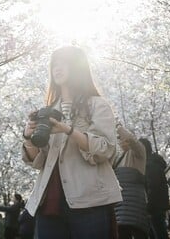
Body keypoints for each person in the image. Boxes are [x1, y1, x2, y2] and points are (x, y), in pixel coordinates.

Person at [21, 45, 122, 239]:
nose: (57, 69)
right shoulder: (47, 111)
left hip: (89, 201)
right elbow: (38, 161)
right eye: (54, 65)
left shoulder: (97, 105)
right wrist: (28, 137)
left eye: (64, 64)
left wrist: (69, 131)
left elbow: (106, 150)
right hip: (49, 201)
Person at [113, 124, 148, 239]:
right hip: (120, 203)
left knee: (137, 231)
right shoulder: (117, 158)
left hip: (134, 202)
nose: (121, 141)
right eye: (119, 139)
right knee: (122, 232)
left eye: (122, 138)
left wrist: (119, 128)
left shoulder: (139, 153)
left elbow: (133, 141)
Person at [139, 138, 169, 239]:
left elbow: (152, 187)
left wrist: (149, 206)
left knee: (158, 233)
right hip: (159, 205)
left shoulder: (150, 165)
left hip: (154, 206)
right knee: (160, 231)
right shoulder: (155, 163)